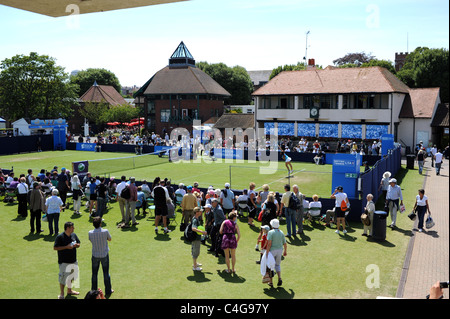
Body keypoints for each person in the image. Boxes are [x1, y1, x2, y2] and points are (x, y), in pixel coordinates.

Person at [53, 221, 80, 299]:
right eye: (72, 227)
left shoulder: (73, 235)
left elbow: (79, 244)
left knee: (71, 277)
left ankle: (69, 290)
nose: (73, 228)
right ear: (67, 228)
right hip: (64, 262)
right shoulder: (60, 237)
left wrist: (76, 245)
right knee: (63, 278)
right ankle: (62, 294)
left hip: (73, 260)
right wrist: (66, 247)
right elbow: (55, 248)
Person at [88, 216, 113, 296]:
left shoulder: (90, 233)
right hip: (104, 254)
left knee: (94, 274)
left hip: (95, 255)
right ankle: (108, 291)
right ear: (100, 224)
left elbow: (90, 240)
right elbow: (109, 239)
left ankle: (94, 292)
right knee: (106, 273)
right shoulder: (105, 231)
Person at [266, 219, 287, 287]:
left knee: (270, 266)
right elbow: (285, 243)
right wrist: (285, 251)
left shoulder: (270, 232)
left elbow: (269, 244)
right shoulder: (281, 232)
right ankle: (279, 278)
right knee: (277, 265)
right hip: (280, 250)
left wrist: (267, 252)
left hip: (272, 251)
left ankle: (271, 282)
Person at [191, 207, 207, 271]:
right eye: (200, 211)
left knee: (195, 251)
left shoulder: (197, 218)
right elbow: (193, 228)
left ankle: (195, 263)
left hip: (196, 238)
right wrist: (202, 232)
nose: (201, 212)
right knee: (196, 252)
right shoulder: (195, 219)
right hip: (195, 238)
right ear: (197, 212)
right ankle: (195, 267)